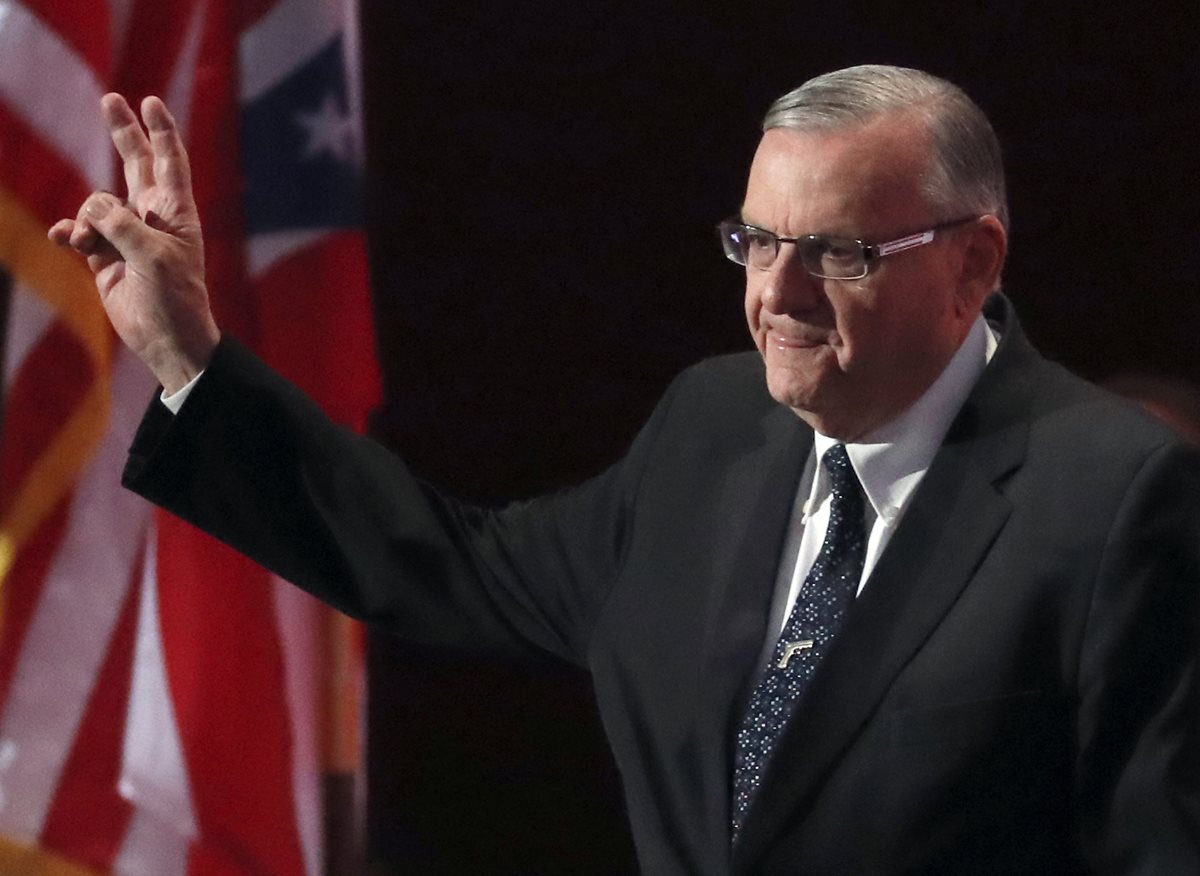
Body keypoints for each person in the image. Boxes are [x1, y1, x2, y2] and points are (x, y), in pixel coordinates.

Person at [51, 65, 1199, 874]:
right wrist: (191, 354)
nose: (777, 297)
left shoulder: (1114, 499)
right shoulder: (711, 430)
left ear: (973, 261)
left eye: (839, 254)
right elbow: (446, 568)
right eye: (756, 242)